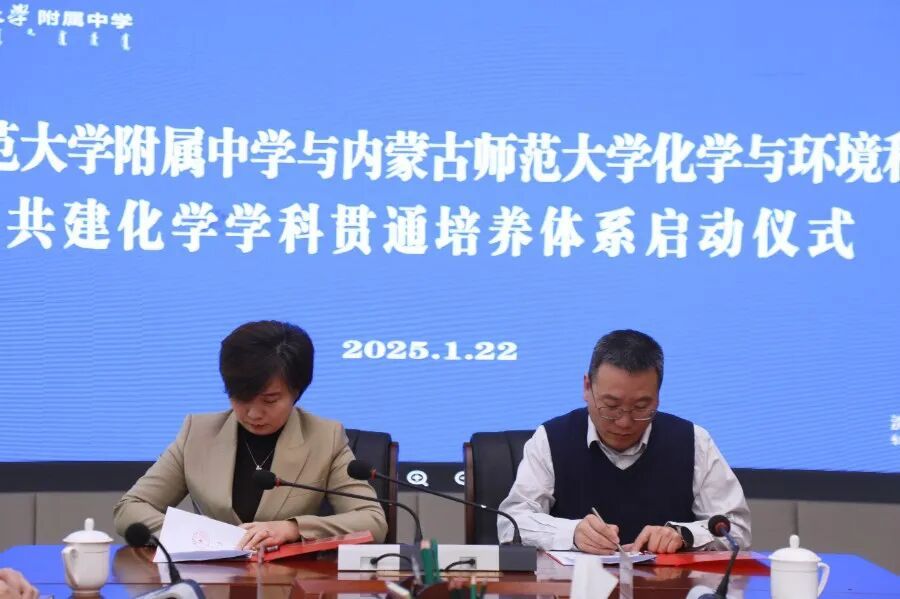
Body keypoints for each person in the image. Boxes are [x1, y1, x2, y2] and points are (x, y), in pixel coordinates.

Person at [114, 320, 387, 548]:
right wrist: (198, 535)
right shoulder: (197, 432)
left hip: (288, 582)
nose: (254, 414)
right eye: (241, 398)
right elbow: (130, 508)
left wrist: (293, 528)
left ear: (297, 392)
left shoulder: (324, 437)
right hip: (212, 581)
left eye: (270, 400)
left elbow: (372, 521)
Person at [498, 329, 751, 553]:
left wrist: (684, 535)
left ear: (658, 397)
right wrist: (571, 533)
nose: (624, 422)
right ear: (587, 387)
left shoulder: (693, 441)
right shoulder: (551, 438)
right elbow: (511, 523)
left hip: (669, 587)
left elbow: (737, 530)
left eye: (641, 407)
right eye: (611, 406)